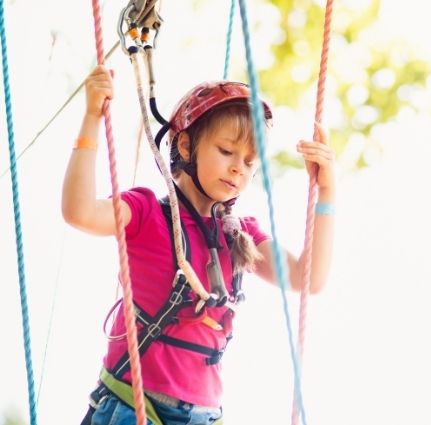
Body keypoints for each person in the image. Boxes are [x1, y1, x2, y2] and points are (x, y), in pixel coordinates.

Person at [62, 65, 336, 425]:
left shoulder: (241, 234)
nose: (239, 169)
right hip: (135, 405)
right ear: (187, 145)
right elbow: (79, 212)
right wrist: (92, 118)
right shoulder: (147, 212)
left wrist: (327, 191)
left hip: (204, 416)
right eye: (226, 151)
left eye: (250, 163)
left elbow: (308, 278)